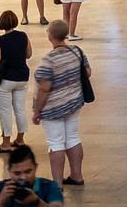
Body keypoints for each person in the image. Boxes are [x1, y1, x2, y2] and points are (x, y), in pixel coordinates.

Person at [30, 23, 90, 184]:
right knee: (72, 138)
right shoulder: (77, 51)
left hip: (53, 109)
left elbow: (44, 88)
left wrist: (37, 111)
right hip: (74, 103)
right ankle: (77, 176)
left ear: (50, 35)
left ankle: (57, 183)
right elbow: (88, 72)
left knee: (55, 143)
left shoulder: (49, 60)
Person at [0, 11, 34, 148]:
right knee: (20, 109)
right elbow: (29, 54)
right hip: (22, 78)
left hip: (5, 80)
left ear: (1, 23)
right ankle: (20, 139)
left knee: (5, 112)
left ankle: (6, 143)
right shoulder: (23, 36)